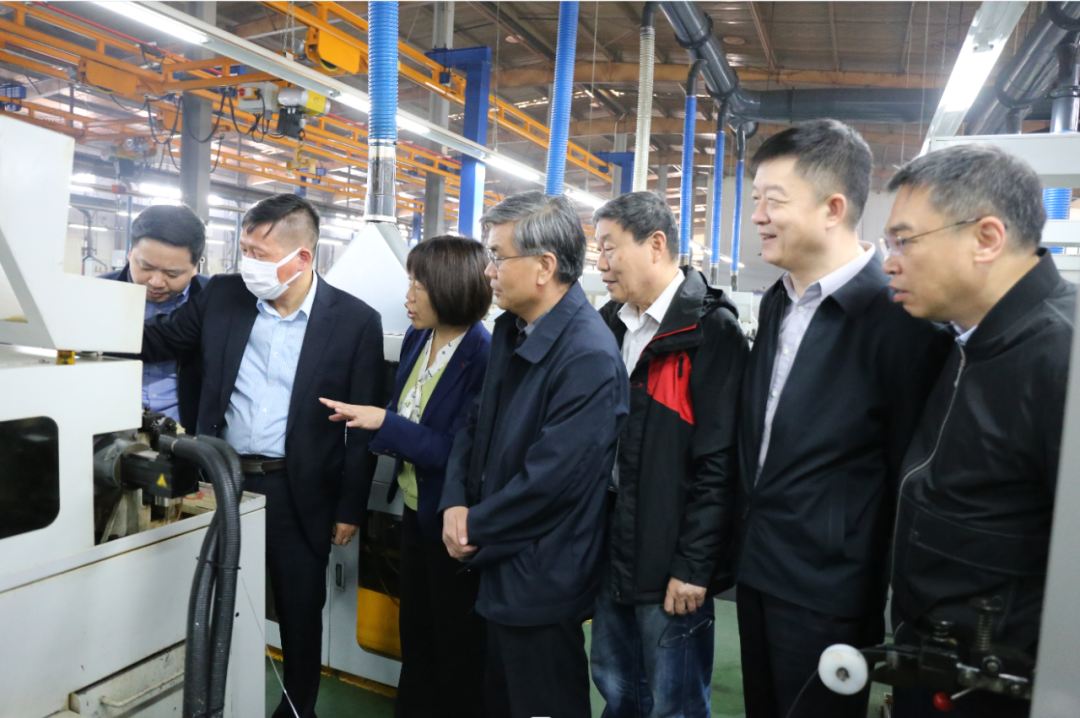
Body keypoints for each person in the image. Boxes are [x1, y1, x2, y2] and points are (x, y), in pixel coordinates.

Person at [734, 120, 951, 718]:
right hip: (757, 567)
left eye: (774, 201)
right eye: (756, 199)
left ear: (833, 208)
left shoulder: (900, 319)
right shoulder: (779, 301)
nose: (758, 216)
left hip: (828, 589)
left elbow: (909, 473)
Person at [139, 193, 384, 718]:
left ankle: (297, 710)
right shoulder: (223, 296)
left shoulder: (353, 321)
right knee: (215, 597)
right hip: (220, 481)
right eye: (244, 249)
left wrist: (350, 507)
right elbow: (157, 341)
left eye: (259, 253)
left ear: (302, 257)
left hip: (299, 489)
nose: (246, 263)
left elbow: (363, 429)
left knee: (300, 611)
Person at [881, 145, 1075, 718]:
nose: (889, 262)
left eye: (904, 241)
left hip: (1004, 690)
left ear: (986, 238)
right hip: (937, 664)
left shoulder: (1062, 357)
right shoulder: (965, 338)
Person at [438, 191, 629, 718]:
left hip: (541, 576)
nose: (488, 271)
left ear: (545, 266)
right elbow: (474, 426)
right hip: (498, 561)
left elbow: (552, 482)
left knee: (541, 702)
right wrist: (454, 502)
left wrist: (473, 524)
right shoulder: (512, 329)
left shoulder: (587, 355)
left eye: (497, 257)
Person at [589, 191, 749, 717]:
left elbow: (719, 464)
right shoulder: (610, 323)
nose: (600, 263)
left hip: (670, 561)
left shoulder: (710, 333)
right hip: (612, 546)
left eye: (609, 247)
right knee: (617, 689)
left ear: (655, 245)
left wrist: (695, 566)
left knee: (673, 702)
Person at [318, 236, 493, 718]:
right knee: (415, 633)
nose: (407, 297)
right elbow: (405, 409)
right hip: (414, 510)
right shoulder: (419, 338)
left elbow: (457, 451)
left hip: (452, 519)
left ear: (451, 289)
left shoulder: (483, 357)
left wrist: (383, 422)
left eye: (418, 286)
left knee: (454, 641)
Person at [101, 204, 209, 429]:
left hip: (187, 434)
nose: (156, 282)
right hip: (107, 428)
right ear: (130, 253)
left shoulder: (211, 301)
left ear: (195, 267)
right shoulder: (95, 294)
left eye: (172, 273)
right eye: (146, 267)